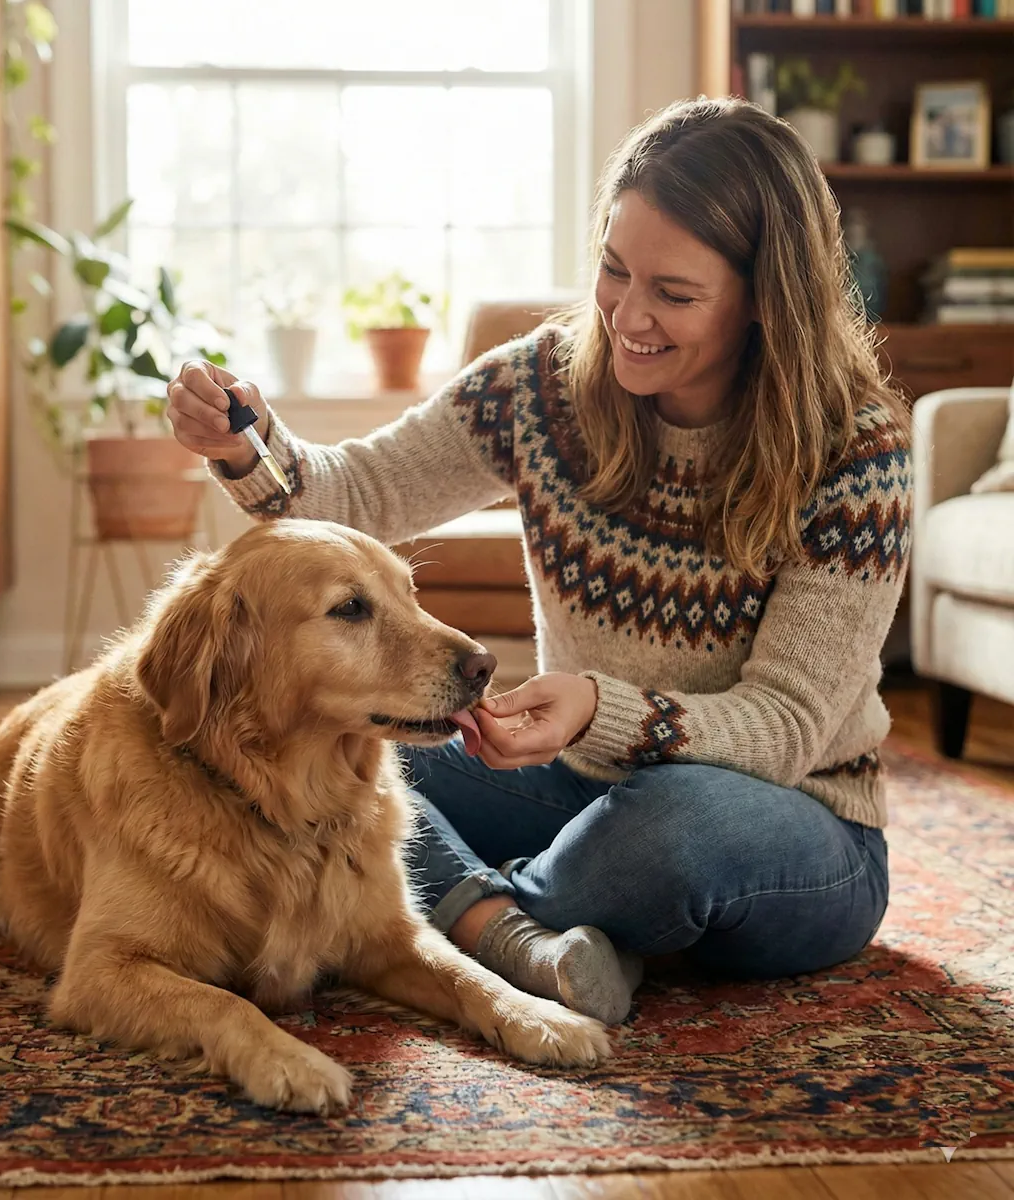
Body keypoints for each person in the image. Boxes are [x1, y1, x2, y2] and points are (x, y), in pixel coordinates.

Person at [164, 96, 910, 1028]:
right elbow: (358, 494)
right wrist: (247, 447)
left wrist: (599, 708)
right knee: (352, 751)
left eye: (673, 294)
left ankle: (468, 920)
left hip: (790, 826)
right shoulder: (543, 384)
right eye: (612, 269)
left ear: (766, 299)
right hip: (576, 784)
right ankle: (537, 944)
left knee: (671, 827)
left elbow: (787, 728)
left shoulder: (855, 450)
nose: (628, 315)